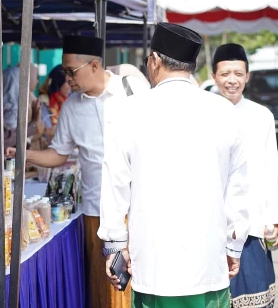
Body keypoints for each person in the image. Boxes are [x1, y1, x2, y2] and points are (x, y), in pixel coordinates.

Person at [99, 23, 250, 308]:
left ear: (154, 61)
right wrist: (234, 245)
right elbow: (238, 188)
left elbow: (115, 183)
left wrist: (116, 247)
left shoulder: (126, 111)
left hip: (153, 267)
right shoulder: (225, 112)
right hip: (208, 264)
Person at [7, 35, 148, 308]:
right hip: (97, 211)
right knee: (105, 288)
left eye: (71, 71)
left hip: (139, 207)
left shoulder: (132, 91)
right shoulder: (72, 105)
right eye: (64, 71)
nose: (67, 78)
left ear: (94, 66)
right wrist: (25, 154)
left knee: (143, 285)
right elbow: (59, 154)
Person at [211, 43, 278, 307]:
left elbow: (269, 168)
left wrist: (274, 219)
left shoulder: (261, 115)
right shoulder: (203, 112)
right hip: (213, 223)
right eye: (225, 73)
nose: (232, 80)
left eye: (239, 74)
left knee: (255, 294)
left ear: (248, 76)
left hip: (252, 222)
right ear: (214, 75)